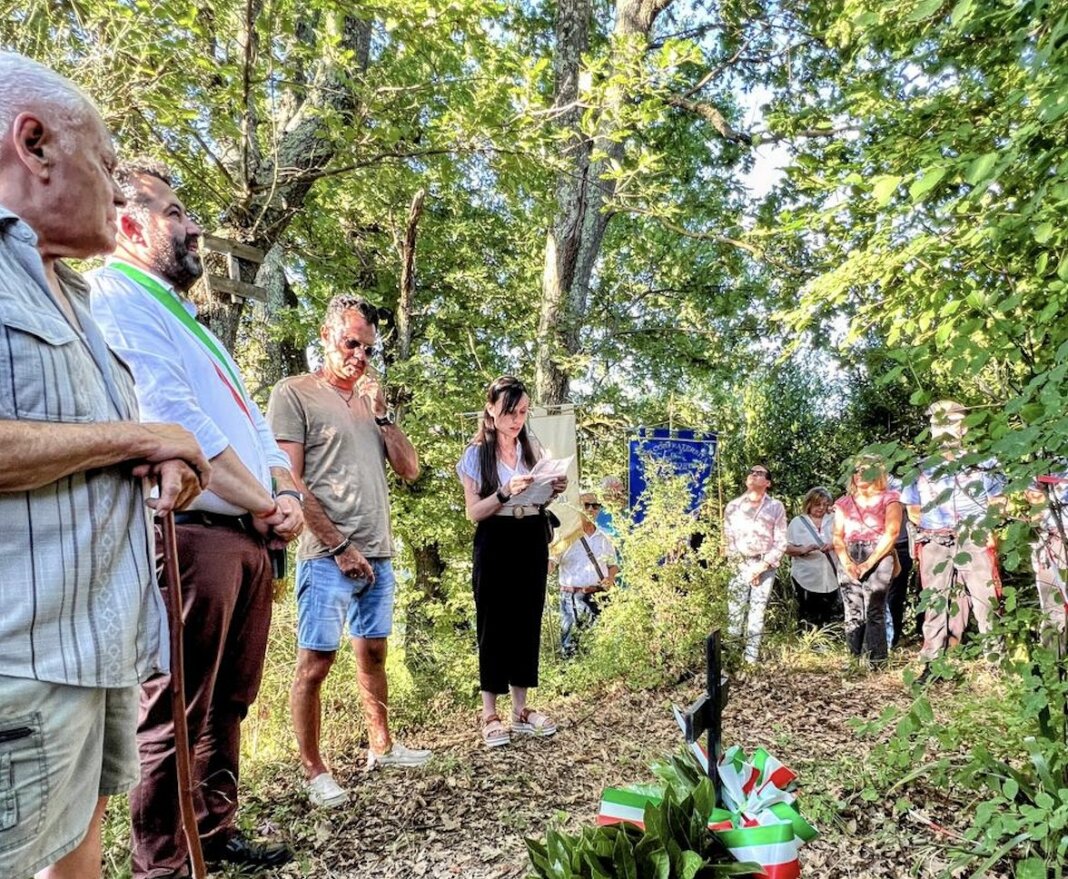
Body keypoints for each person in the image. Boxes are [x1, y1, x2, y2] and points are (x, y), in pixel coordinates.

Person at [0, 53, 209, 879]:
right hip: (21, 660)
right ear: (35, 144)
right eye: (110, 165)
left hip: (96, 651)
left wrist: (162, 463)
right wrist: (133, 439)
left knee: (78, 859)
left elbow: (99, 445)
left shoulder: (74, 295)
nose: (120, 192)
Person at [88, 159, 304, 876]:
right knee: (175, 706)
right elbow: (171, 418)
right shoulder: (117, 292)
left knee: (229, 701)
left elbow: (249, 425)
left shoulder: (192, 319)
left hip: (244, 537)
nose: (193, 225)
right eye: (174, 212)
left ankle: (214, 829)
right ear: (128, 222)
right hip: (191, 533)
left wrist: (287, 494)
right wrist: (262, 500)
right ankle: (165, 861)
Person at [267, 296, 430, 809]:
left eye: (368, 348)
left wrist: (383, 416)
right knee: (315, 662)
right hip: (324, 553)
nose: (359, 355)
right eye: (351, 342)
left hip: (379, 549)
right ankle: (314, 769)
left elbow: (410, 470)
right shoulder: (293, 393)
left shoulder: (368, 402)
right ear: (326, 335)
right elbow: (288, 479)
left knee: (374, 652)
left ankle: (381, 746)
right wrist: (338, 547)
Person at [456, 375, 567, 747]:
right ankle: (490, 711)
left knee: (526, 619)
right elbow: (474, 511)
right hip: (495, 536)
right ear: (491, 410)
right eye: (509, 412)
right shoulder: (476, 454)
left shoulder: (531, 447)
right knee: (493, 621)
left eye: (522, 412)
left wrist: (551, 488)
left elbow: (537, 499)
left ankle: (521, 709)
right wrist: (505, 491)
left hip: (531, 534)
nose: (516, 420)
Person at [901, 400, 1005, 667]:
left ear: (963, 427)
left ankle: (995, 661)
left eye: (950, 422)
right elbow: (912, 509)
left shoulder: (984, 462)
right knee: (935, 599)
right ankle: (932, 660)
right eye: (937, 423)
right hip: (935, 538)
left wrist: (980, 528)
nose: (943, 429)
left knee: (985, 599)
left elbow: (998, 502)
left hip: (975, 537)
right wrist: (933, 526)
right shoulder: (919, 467)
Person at [833, 458, 902, 663]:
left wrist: (869, 563)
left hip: (879, 553)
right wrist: (847, 562)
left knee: (875, 609)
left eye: (866, 470)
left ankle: (876, 662)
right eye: (856, 470)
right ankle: (854, 660)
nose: (859, 474)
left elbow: (892, 532)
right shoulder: (843, 502)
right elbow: (837, 535)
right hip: (849, 552)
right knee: (853, 610)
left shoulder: (890, 498)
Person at [723, 464, 788, 664]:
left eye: (759, 473)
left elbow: (781, 541)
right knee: (735, 610)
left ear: (767, 483)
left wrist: (761, 567)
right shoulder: (733, 506)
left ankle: (750, 660)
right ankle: (732, 656)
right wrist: (743, 567)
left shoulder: (776, 506)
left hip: (765, 565)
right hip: (739, 563)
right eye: (751, 472)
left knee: (757, 612)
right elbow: (728, 540)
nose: (753, 475)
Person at [552, 491, 619, 657]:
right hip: (573, 597)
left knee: (601, 644)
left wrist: (610, 579)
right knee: (571, 645)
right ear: (577, 508)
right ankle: (570, 679)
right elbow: (550, 563)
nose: (591, 509)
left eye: (595, 506)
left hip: (600, 596)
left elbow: (613, 565)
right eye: (586, 505)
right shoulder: (565, 537)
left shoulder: (604, 537)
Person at [785, 487, 840, 630]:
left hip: (831, 575)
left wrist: (833, 545)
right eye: (817, 504)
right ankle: (807, 642)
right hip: (806, 576)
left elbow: (845, 540)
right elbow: (786, 548)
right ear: (809, 504)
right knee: (807, 611)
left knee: (828, 612)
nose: (821, 508)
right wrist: (803, 549)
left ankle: (827, 640)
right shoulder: (798, 522)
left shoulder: (835, 520)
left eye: (825, 504)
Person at [1025, 477, 1068, 649]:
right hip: (1053, 536)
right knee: (1053, 607)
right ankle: (1053, 662)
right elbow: (1036, 507)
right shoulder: (1044, 462)